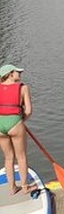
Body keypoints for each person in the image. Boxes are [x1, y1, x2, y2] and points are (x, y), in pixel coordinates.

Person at [0, 64, 34, 195]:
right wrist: (20, 121)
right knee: (21, 157)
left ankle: (12, 188)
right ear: (9, 74)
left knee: (8, 158)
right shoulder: (23, 88)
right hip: (15, 123)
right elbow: (29, 111)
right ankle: (25, 187)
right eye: (17, 72)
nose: (19, 73)